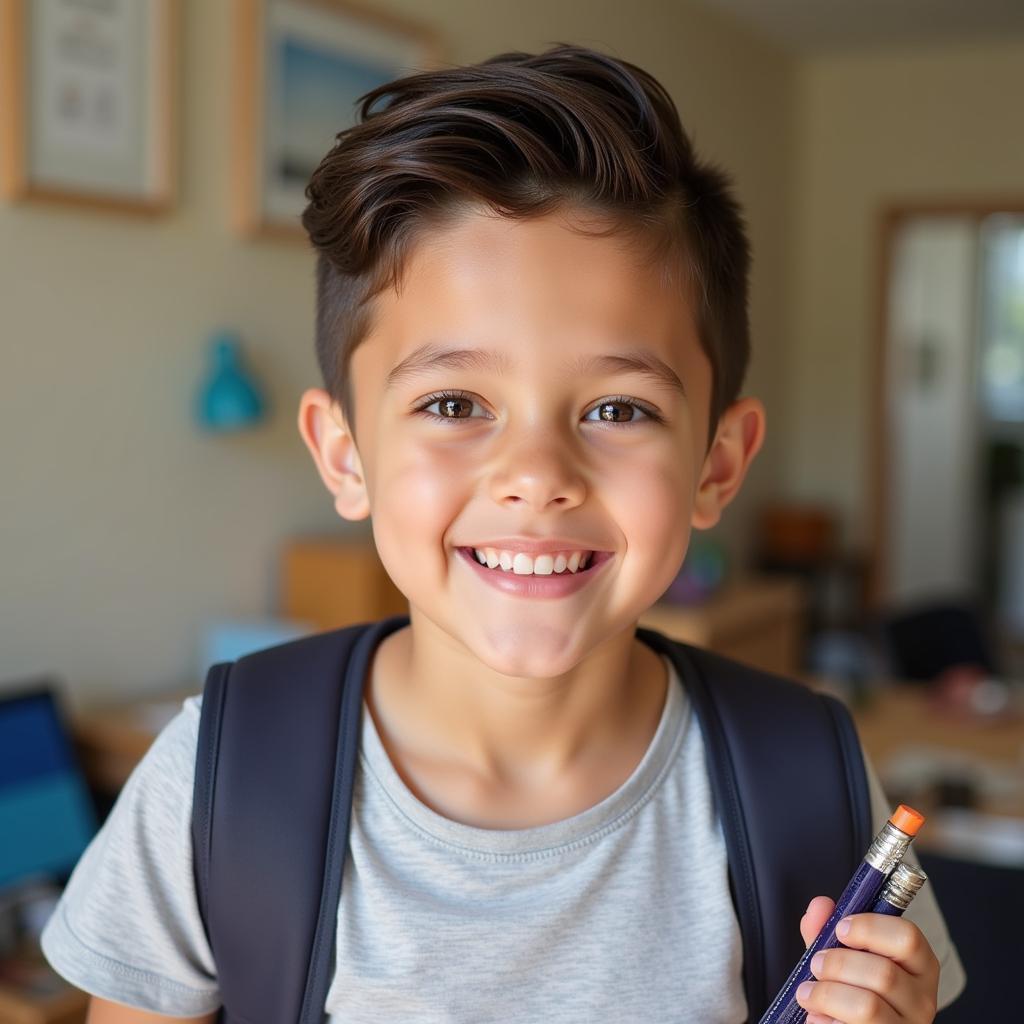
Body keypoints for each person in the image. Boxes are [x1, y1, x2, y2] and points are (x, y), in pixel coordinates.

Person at [40, 42, 966, 1023]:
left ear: (717, 465)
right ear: (345, 453)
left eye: (617, 410)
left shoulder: (812, 779)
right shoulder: (216, 778)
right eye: (452, 401)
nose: (536, 476)